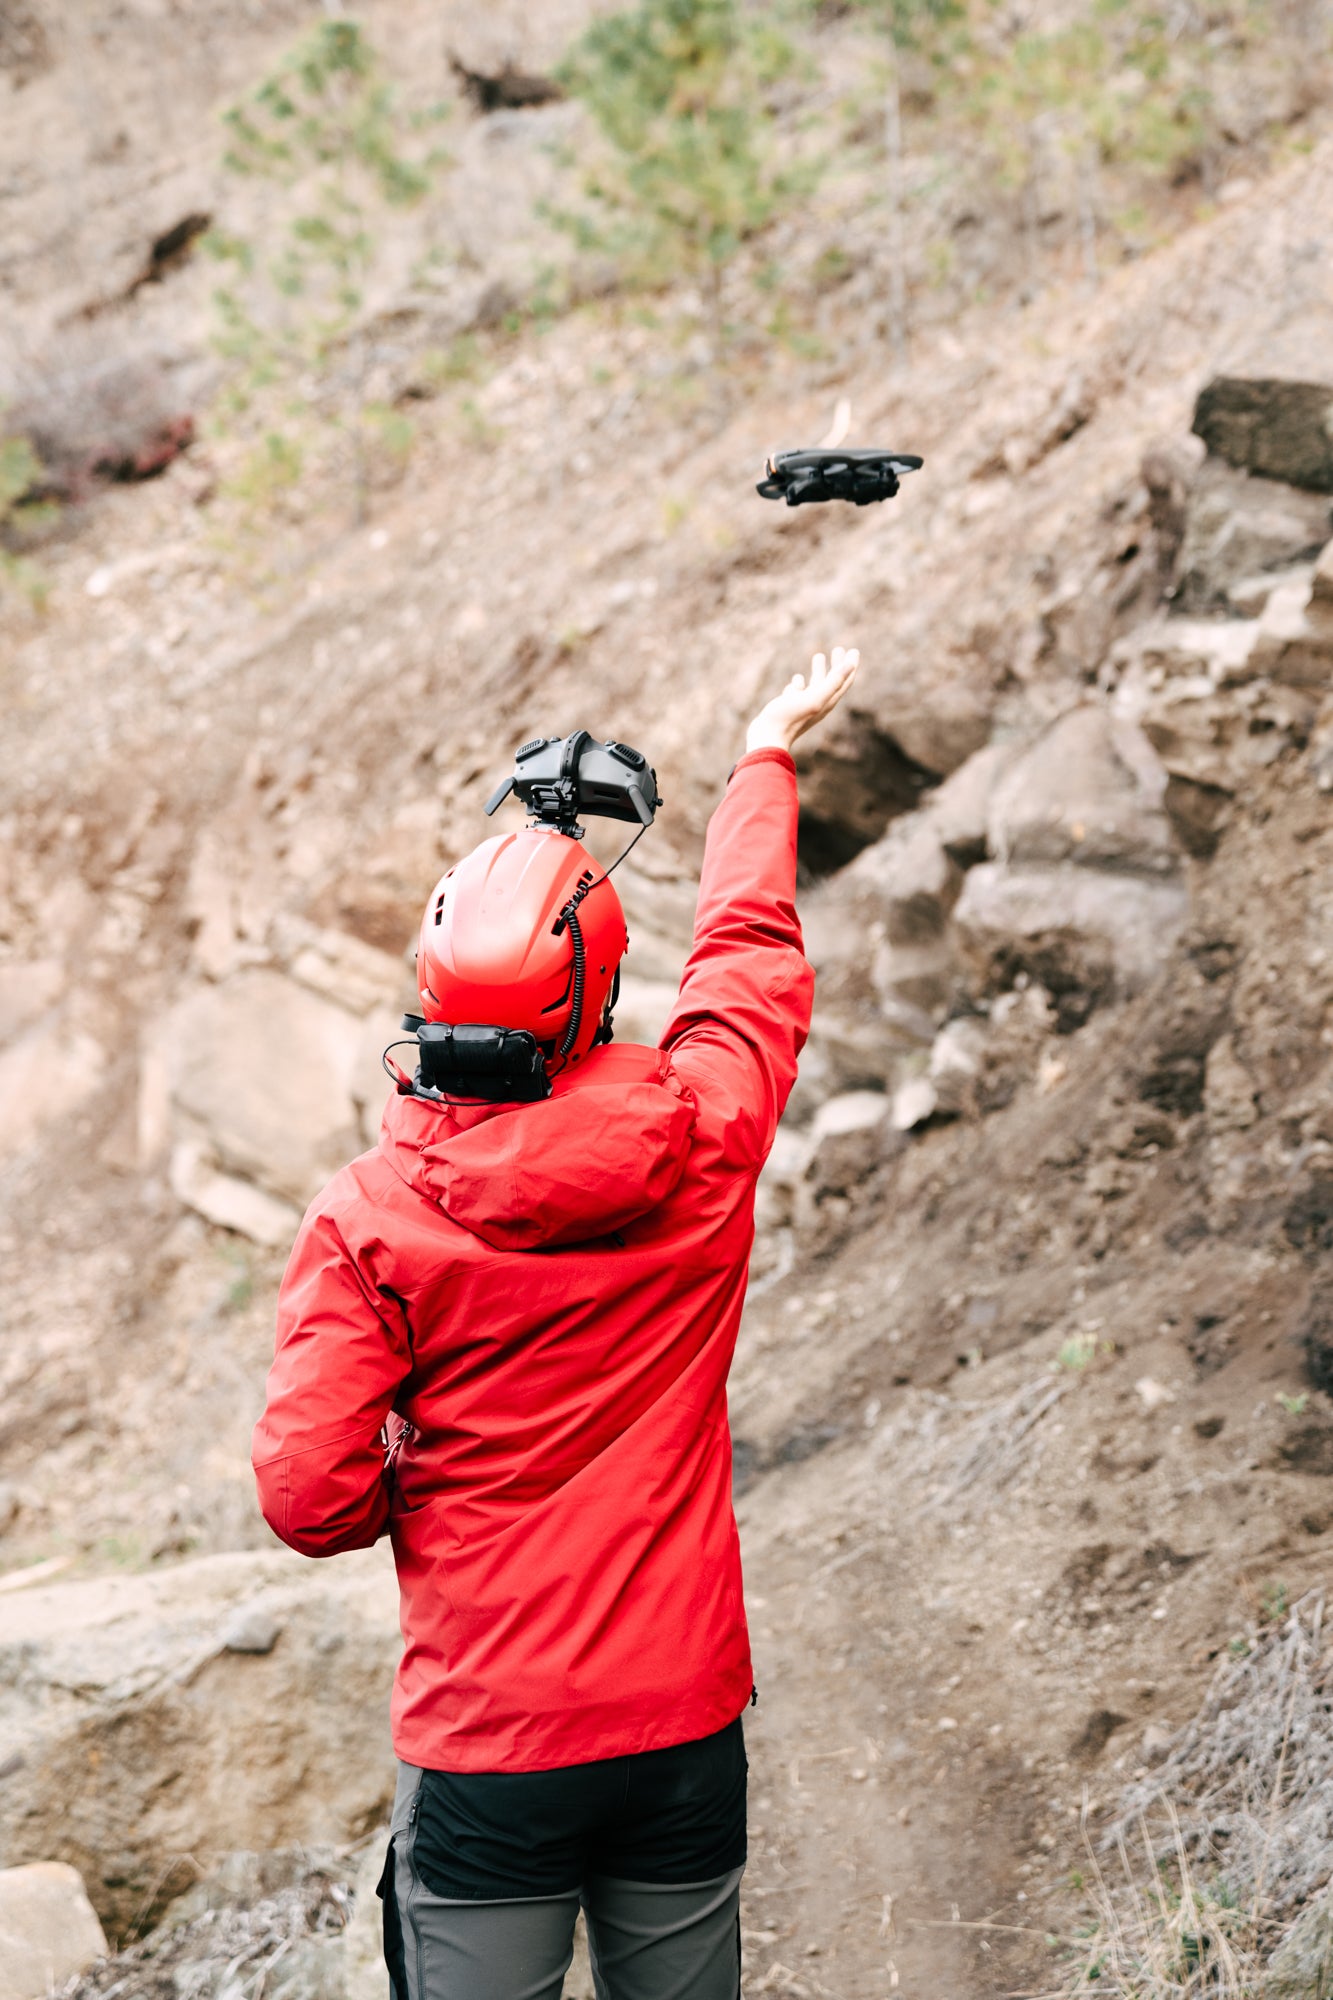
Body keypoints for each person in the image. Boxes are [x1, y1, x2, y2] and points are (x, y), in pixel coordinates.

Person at [252, 646, 860, 2000]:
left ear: (429, 990)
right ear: (601, 991)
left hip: (490, 1742)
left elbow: (308, 1500)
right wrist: (764, 755)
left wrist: (424, 1470)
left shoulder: (368, 1219)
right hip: (680, 1726)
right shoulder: (703, 1139)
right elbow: (747, 962)